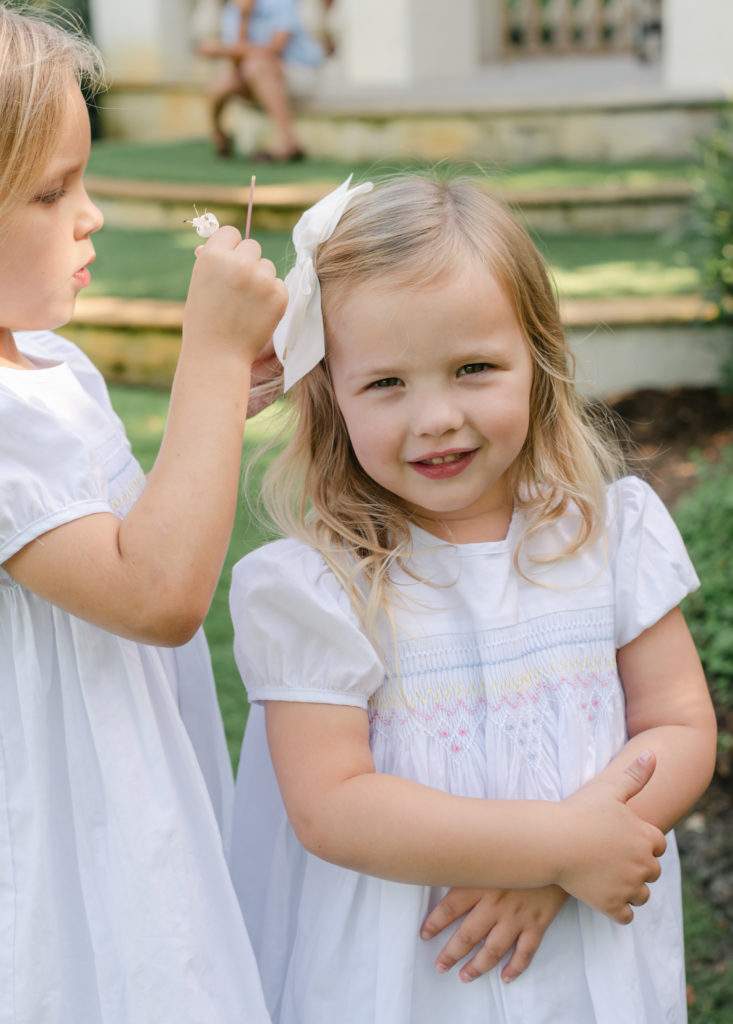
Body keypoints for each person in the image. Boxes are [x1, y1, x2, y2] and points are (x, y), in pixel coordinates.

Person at [227, 174, 717, 1023]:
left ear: (537, 360)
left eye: (473, 368)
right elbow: (331, 804)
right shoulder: (318, 587)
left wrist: (566, 872)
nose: (437, 417)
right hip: (415, 972)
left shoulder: (608, 534)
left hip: (586, 934)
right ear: (330, 396)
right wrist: (554, 850)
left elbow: (678, 723)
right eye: (386, 383)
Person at [0, 5, 288, 1021]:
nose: (94, 214)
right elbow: (156, 591)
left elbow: (133, 523)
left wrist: (219, 406)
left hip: (127, 776)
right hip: (64, 821)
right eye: (50, 191)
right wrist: (207, 360)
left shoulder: (53, 370)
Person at [198, 0, 323, 160]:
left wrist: (222, 49)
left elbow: (273, 50)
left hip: (298, 71)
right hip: (256, 75)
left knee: (257, 66)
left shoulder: (281, 3)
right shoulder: (234, 10)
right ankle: (219, 136)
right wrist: (244, 17)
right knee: (220, 84)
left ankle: (287, 141)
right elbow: (236, 63)